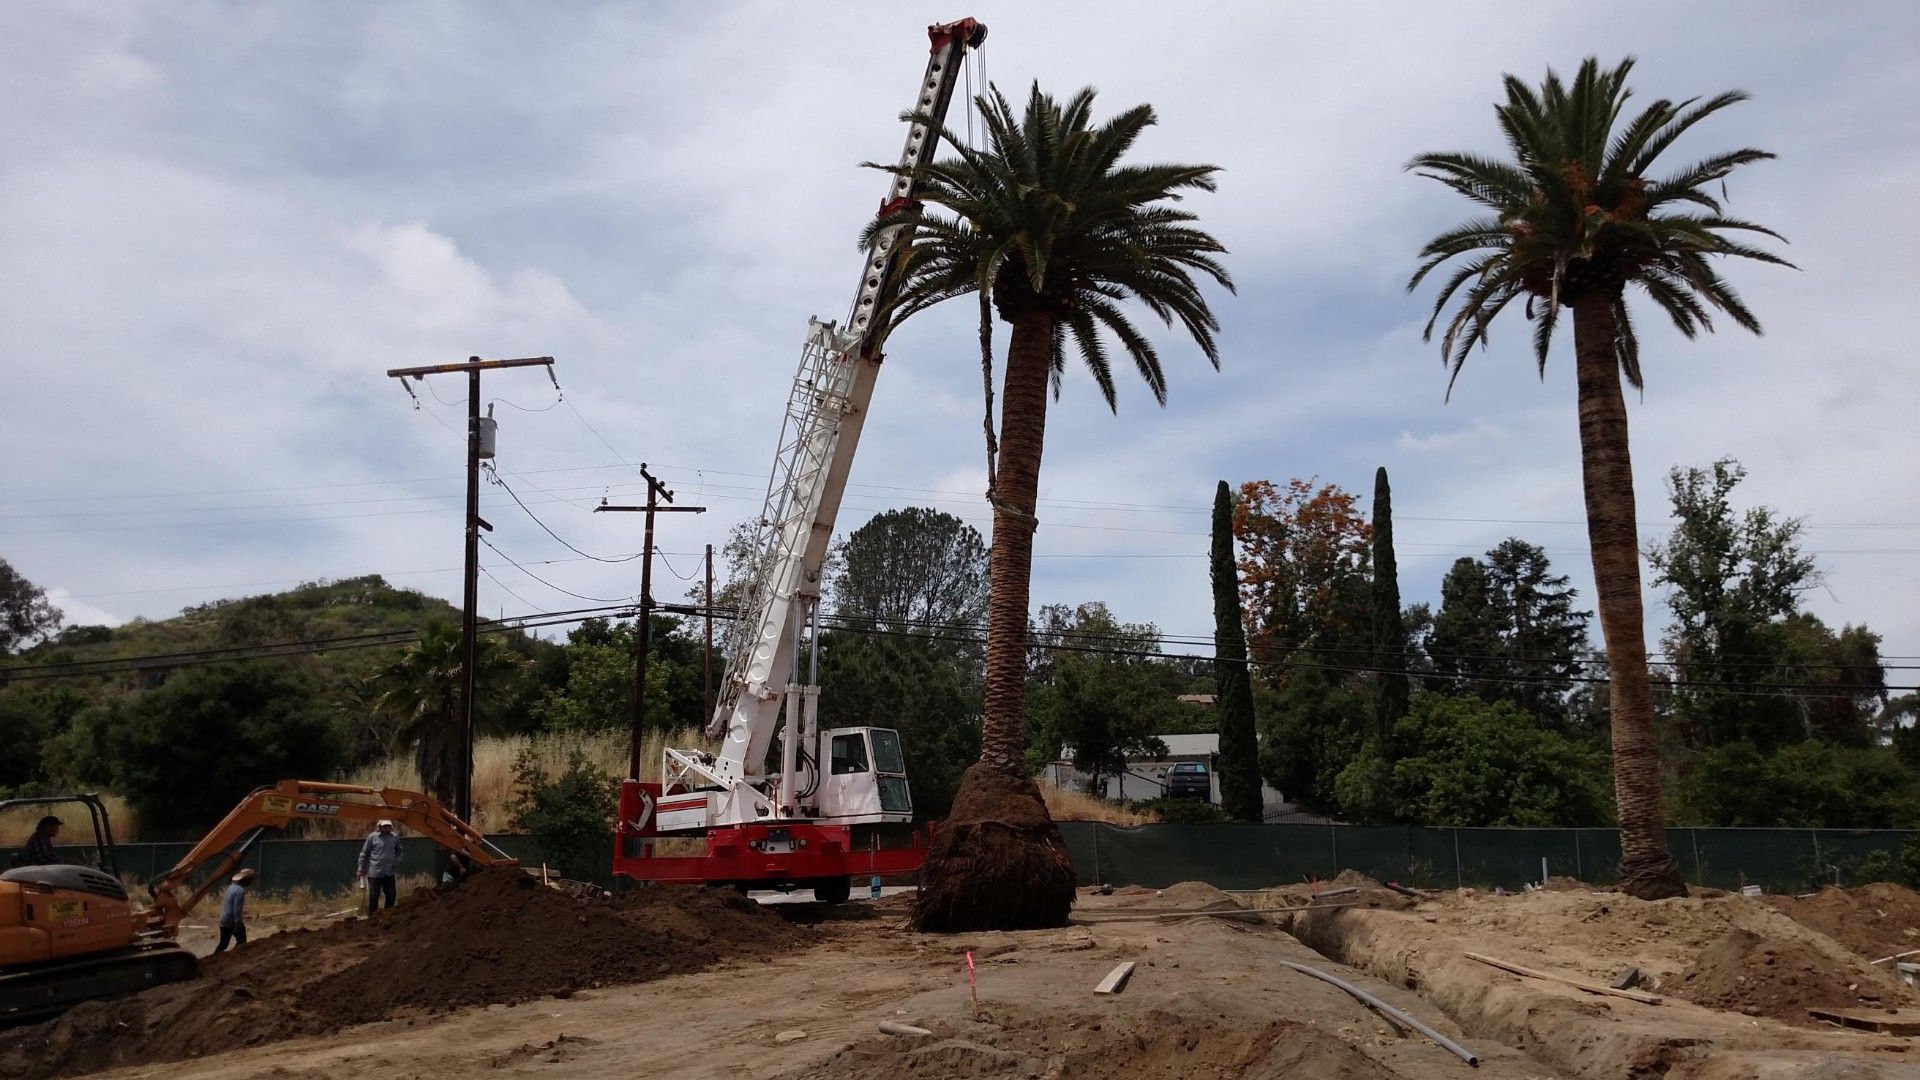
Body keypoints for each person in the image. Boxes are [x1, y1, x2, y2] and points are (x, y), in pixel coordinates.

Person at [357, 819, 403, 914]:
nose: (387, 828)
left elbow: (400, 851)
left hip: (389, 871)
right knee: (374, 895)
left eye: (388, 826)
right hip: (375, 872)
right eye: (384, 826)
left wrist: (397, 860)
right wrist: (360, 869)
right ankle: (373, 916)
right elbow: (364, 853)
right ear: (380, 827)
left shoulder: (394, 837)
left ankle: (388, 914)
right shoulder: (372, 837)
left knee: (391, 894)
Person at [215, 868, 256, 953]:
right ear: (245, 880)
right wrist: (238, 924)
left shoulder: (231, 887)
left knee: (223, 944)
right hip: (232, 920)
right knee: (242, 942)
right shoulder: (240, 891)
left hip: (224, 919)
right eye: (251, 879)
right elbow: (237, 909)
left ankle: (213, 958)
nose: (251, 882)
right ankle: (235, 957)